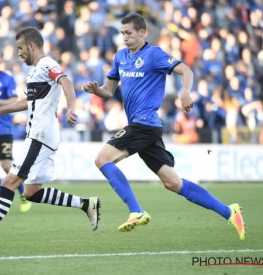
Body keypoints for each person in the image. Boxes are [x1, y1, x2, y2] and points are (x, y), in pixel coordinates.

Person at [81, 14, 245, 240]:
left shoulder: (154, 55)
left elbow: (186, 71)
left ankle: (136, 211)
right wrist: (95, 90)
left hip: (144, 124)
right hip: (143, 127)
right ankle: (229, 211)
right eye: (122, 33)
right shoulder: (120, 57)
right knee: (173, 183)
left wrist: (185, 91)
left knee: (102, 159)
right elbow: (108, 90)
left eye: (129, 33)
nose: (125, 37)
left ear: (142, 33)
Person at [0, 27, 101, 253]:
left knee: (8, 183)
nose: (19, 53)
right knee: (32, 192)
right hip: (41, 135)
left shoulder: (46, 64)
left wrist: (71, 107)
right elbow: (28, 101)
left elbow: (66, 81)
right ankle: (86, 204)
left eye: (21, 48)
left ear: (31, 46)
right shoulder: (35, 72)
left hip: (40, 135)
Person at [0, 47, 32, 213]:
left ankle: (23, 193)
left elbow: (13, 100)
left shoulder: (7, 79)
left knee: (5, 165)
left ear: (0, 59)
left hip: (3, 129)